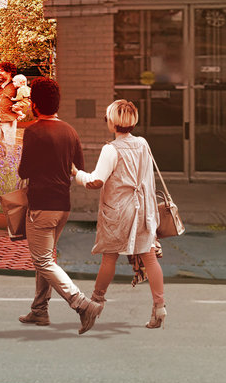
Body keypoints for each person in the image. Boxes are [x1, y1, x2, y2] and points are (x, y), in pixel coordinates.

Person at [12, 79, 101, 333]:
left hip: (41, 204)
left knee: (42, 262)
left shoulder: (33, 130)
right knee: (47, 258)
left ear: (34, 104)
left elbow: (24, 170)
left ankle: (82, 304)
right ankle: (39, 310)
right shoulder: (70, 131)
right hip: (63, 205)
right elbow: (78, 168)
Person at [75, 98, 166, 328]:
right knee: (149, 257)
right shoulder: (143, 144)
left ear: (112, 122)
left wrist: (76, 173)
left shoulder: (110, 149)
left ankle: (95, 303)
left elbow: (96, 181)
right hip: (143, 209)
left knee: (109, 257)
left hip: (118, 213)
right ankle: (159, 307)